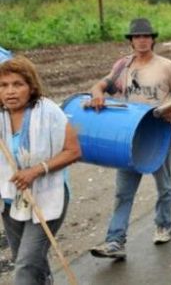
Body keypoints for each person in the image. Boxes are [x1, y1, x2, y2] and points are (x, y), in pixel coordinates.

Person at [89, 18, 171, 260]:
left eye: (146, 36)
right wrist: (97, 93)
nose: (142, 40)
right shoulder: (123, 65)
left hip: (158, 133)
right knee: (123, 192)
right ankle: (115, 241)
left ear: (153, 39)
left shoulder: (167, 66)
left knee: (163, 185)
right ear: (131, 41)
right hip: (129, 136)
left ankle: (164, 224)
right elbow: (103, 85)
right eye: (137, 36)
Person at [0, 56, 81, 284]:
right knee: (29, 261)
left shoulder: (49, 112)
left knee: (25, 266)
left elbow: (73, 151)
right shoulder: (0, 116)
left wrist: (36, 170)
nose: (10, 91)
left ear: (31, 87)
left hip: (47, 196)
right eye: (3, 85)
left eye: (18, 84)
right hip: (10, 199)